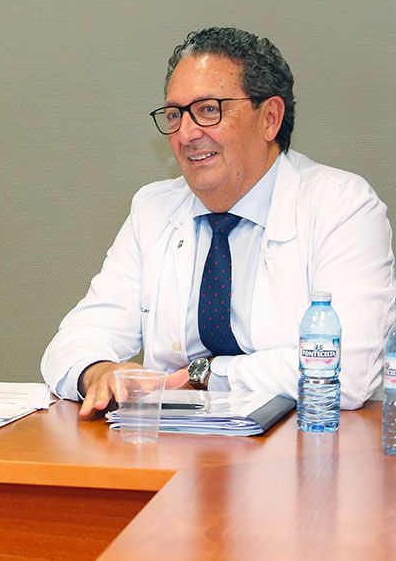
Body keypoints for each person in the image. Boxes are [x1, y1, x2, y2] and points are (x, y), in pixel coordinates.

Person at [41, 27, 396, 418]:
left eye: (209, 110)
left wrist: (207, 374)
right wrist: (98, 371)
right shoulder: (154, 209)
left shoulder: (341, 207)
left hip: (305, 451)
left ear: (270, 118)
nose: (187, 133)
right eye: (175, 114)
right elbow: (73, 340)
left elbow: (346, 372)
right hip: (173, 452)